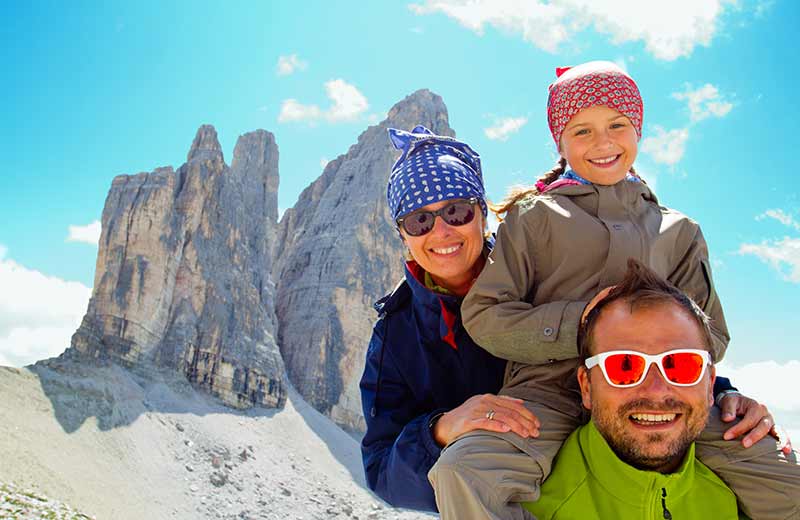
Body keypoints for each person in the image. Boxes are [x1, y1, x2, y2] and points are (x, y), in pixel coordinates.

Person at [430, 61, 799, 520]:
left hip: (662, 393)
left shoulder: (678, 231)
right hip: (549, 397)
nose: (603, 143)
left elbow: (715, 337)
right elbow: (486, 315)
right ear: (559, 142)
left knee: (783, 477)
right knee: (464, 472)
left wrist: (667, 345)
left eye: (617, 125)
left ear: (638, 132)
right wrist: (580, 325)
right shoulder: (534, 219)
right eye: (581, 131)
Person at [359, 124, 782, 515]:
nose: (441, 231)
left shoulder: (538, 260)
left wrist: (723, 391)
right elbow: (380, 470)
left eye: (456, 212)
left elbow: (644, 330)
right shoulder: (397, 333)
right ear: (402, 234)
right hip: (525, 476)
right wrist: (440, 430)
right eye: (419, 220)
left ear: (481, 213)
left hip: (622, 433)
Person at [525, 259, 741, 519]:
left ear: (709, 385)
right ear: (586, 387)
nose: (656, 390)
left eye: (681, 364)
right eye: (624, 366)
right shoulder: (527, 509)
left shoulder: (740, 502)